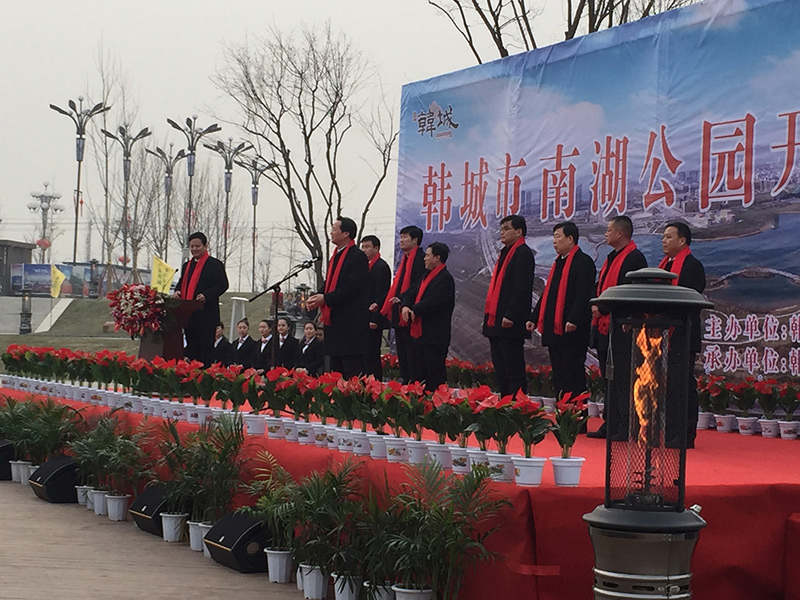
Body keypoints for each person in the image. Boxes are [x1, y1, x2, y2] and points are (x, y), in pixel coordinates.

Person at [587, 215, 648, 440]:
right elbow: (602, 286)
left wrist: (604, 308)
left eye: (608, 230)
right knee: (609, 379)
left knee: (623, 379)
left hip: (622, 327)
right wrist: (595, 303)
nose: (606, 234)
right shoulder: (611, 257)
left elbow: (633, 294)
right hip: (605, 327)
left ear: (620, 233)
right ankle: (611, 423)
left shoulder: (635, 258)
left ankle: (626, 425)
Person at [526, 221, 596, 401]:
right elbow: (547, 294)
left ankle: (578, 414)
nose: (554, 241)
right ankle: (563, 412)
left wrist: (573, 319)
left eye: (558, 236)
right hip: (555, 330)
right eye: (554, 237)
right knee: (560, 375)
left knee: (574, 374)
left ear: (570, 239)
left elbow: (583, 295)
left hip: (572, 331)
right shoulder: (558, 263)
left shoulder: (583, 262)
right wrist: (534, 317)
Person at [660, 221, 706, 448]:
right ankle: (668, 431)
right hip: (662, 335)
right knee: (666, 386)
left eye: (669, 237)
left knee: (682, 385)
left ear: (682, 240)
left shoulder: (692, 266)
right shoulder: (663, 267)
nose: (664, 241)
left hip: (682, 334)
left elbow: (691, 300)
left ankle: (685, 434)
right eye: (663, 237)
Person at [306, 216, 370, 378]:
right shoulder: (336, 256)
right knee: (336, 371)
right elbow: (330, 282)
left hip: (351, 323)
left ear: (346, 233)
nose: (331, 232)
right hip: (335, 322)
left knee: (352, 370)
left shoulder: (357, 256)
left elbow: (351, 287)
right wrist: (317, 296)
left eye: (334, 229)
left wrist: (325, 299)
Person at [482, 214, 535, 397]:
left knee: (513, 368)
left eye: (506, 229)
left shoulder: (523, 253)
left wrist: (511, 314)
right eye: (501, 229)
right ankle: (505, 402)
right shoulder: (505, 252)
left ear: (519, 232)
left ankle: (516, 405)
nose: (502, 233)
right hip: (497, 321)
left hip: (510, 322)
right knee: (501, 369)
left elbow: (522, 288)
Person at [401, 242, 455, 391]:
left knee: (434, 374)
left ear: (437, 258)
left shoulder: (445, 278)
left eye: (427, 255)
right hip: (419, 334)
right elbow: (410, 293)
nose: (424, 259)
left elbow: (434, 301)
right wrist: (405, 305)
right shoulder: (425, 276)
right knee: (418, 374)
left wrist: (415, 309)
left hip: (434, 336)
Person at [174, 232, 229, 367]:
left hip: (206, 315)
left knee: (205, 351)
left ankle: (205, 374)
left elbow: (223, 285)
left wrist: (206, 295)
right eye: (192, 246)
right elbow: (181, 283)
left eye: (197, 246)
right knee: (191, 349)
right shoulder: (187, 266)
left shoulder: (214, 264)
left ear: (205, 246)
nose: (194, 249)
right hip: (189, 316)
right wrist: (177, 291)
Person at [380, 225, 425, 383]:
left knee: (412, 354)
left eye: (405, 237)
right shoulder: (405, 259)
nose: (401, 240)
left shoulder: (420, 259)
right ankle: (405, 381)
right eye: (401, 237)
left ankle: (414, 384)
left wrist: (404, 298)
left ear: (415, 240)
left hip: (411, 312)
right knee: (403, 353)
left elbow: (418, 285)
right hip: (398, 312)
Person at [361, 234, 391, 380]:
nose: (364, 250)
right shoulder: (363, 267)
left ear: (376, 248)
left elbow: (382, 294)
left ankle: (375, 382)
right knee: (363, 354)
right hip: (363, 317)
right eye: (362, 247)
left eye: (367, 247)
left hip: (373, 318)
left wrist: (375, 318)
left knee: (371, 353)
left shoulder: (381, 267)